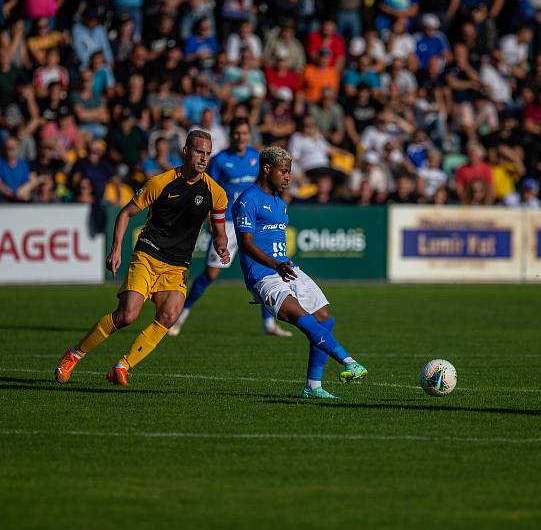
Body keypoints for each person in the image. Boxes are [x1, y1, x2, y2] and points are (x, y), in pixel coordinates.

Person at [54, 130, 229, 386]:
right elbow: (125, 214)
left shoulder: (216, 193)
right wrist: (116, 248)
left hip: (177, 265)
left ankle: (122, 367)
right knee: (127, 315)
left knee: (170, 316)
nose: (203, 158)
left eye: (207, 153)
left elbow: (219, 231)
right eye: (199, 152)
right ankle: (74, 355)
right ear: (186, 152)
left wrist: (221, 245)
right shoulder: (160, 183)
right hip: (148, 255)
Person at [232, 146, 368, 399]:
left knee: (325, 319)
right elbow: (246, 243)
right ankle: (349, 361)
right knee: (301, 317)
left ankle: (312, 387)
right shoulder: (247, 199)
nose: (288, 177)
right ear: (266, 169)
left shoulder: (280, 204)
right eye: (283, 172)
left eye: (289, 172)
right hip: (266, 276)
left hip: (288, 269)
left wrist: (282, 266)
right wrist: (261, 280)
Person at [170, 119, 292, 337]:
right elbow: (207, 188)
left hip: (254, 224)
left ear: (249, 135)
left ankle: (269, 324)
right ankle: (180, 316)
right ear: (231, 134)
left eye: (244, 133)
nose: (240, 137)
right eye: (236, 133)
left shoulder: (258, 158)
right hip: (227, 222)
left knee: (267, 272)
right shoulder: (219, 160)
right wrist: (211, 220)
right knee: (211, 273)